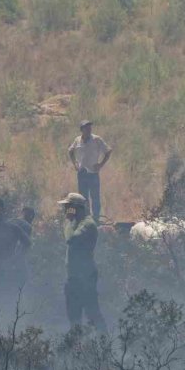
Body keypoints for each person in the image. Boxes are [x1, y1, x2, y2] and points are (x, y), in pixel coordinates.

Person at [59, 192, 106, 331]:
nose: (65, 210)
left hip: (85, 277)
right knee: (74, 316)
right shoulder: (76, 223)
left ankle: (104, 343)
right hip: (74, 276)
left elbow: (71, 239)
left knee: (92, 313)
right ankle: (76, 347)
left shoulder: (87, 224)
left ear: (75, 208)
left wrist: (67, 222)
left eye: (67, 207)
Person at [68, 120, 112, 222]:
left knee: (95, 197)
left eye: (90, 127)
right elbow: (70, 151)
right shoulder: (77, 140)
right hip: (82, 173)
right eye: (86, 128)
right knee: (83, 197)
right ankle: (86, 218)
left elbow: (108, 150)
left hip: (93, 173)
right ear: (81, 130)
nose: (89, 129)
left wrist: (100, 164)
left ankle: (96, 218)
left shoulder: (96, 139)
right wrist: (75, 163)